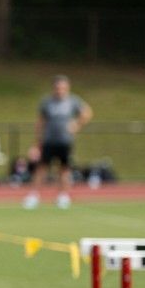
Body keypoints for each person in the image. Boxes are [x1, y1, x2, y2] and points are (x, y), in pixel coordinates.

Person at [24, 74, 92, 209]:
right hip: (49, 140)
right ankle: (34, 195)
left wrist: (77, 124)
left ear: (67, 88)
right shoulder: (47, 102)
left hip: (65, 141)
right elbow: (40, 122)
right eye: (57, 88)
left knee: (64, 169)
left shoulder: (73, 101)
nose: (60, 90)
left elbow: (87, 112)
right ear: (53, 88)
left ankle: (63, 196)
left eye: (63, 88)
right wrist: (36, 143)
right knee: (41, 168)